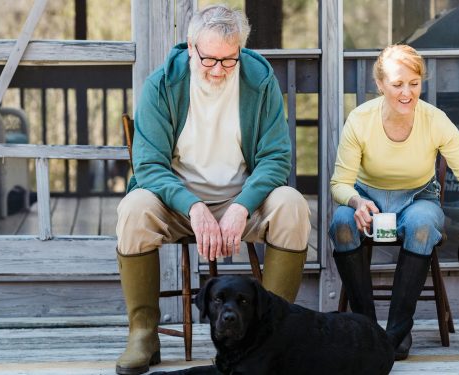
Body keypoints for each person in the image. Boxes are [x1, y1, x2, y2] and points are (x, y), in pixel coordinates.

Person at [114, 5, 311, 375]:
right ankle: (143, 332)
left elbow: (275, 158)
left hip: (242, 198)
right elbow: (149, 165)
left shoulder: (259, 78)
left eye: (228, 60)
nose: (219, 70)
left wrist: (242, 206)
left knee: (292, 205)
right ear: (190, 47)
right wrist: (193, 206)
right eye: (208, 59)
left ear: (240, 50)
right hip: (175, 202)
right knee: (133, 208)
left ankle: (272, 337)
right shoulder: (162, 84)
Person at [329, 44, 459, 361]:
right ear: (380, 84)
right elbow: (340, 184)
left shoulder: (435, 120)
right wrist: (356, 201)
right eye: (397, 84)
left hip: (418, 198)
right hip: (367, 197)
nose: (407, 93)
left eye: (414, 84)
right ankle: (366, 329)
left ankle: (397, 333)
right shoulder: (360, 119)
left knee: (421, 225)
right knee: (342, 224)